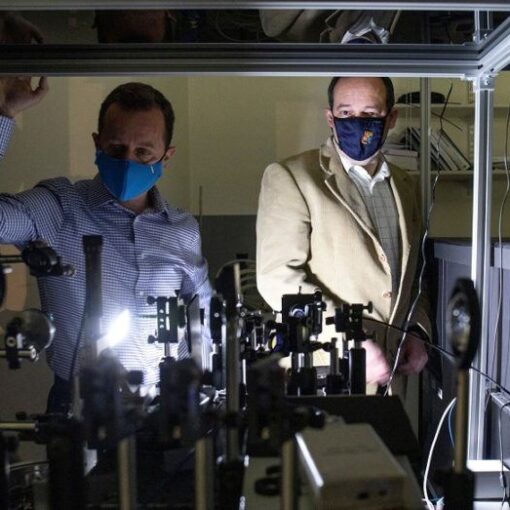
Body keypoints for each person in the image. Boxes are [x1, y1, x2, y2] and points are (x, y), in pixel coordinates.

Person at [0, 79, 212, 410]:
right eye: (116, 149)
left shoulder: (182, 229)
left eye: (143, 152)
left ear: (166, 157)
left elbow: (204, 315)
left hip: (168, 405)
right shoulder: (60, 207)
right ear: (97, 145)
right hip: (82, 403)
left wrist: (206, 384)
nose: (128, 162)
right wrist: (3, 115)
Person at [256, 76, 430, 393]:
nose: (357, 123)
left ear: (391, 118)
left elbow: (412, 274)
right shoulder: (292, 177)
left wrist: (417, 331)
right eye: (346, 114)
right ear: (330, 118)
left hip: (389, 375)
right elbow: (277, 277)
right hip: (323, 372)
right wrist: (348, 339)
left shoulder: (406, 185)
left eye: (370, 113)